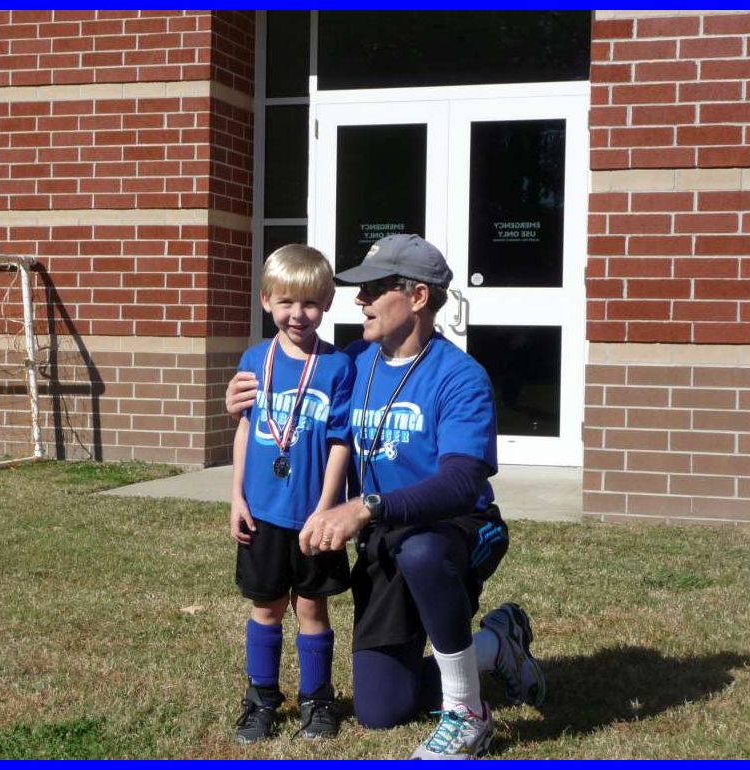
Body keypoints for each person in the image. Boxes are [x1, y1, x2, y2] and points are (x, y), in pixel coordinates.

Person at [226, 234, 545, 759]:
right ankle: (494, 645)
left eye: (374, 289)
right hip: (384, 539)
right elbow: (295, 415)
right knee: (379, 709)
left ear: (417, 297)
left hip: (458, 529)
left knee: (422, 551)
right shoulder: (352, 364)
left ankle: (467, 712)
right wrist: (238, 404)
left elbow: (462, 483)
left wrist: (366, 506)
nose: (360, 301)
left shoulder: (461, 377)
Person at [228, 244, 356, 745]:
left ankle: (317, 699)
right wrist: (237, 496)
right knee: (266, 608)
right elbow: (244, 429)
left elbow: (340, 441)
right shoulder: (254, 359)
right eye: (285, 302)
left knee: (311, 609)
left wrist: (327, 508)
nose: (297, 314)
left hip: (313, 515)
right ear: (266, 301)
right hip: (262, 512)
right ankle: (261, 698)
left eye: (309, 303)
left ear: (326, 303)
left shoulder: (338, 367)